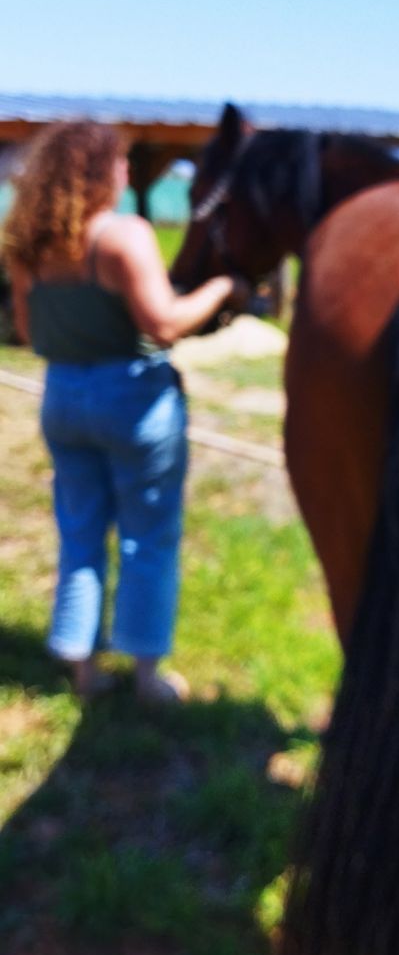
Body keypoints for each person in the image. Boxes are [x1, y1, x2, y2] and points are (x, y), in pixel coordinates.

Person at [3, 117, 246, 704]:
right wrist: (221, 290)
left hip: (63, 396)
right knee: (148, 538)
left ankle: (82, 669)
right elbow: (162, 326)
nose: (125, 174)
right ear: (98, 171)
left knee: (80, 530)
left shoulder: (29, 243)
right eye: (119, 164)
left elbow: (32, 333)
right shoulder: (121, 235)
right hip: (134, 402)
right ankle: (145, 675)